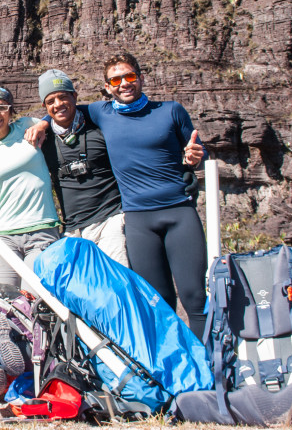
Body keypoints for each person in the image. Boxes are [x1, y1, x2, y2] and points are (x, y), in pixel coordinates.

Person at [88, 52, 208, 338]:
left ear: (141, 78)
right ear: (107, 87)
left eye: (130, 76)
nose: (124, 83)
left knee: (195, 298)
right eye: (115, 79)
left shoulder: (170, 110)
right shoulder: (100, 113)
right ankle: (173, 370)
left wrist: (194, 159)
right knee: (158, 302)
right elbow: (61, 109)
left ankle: (211, 368)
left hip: (179, 213)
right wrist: (42, 124)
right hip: (139, 220)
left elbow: (197, 152)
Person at [35, 70, 128, 267]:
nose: (58, 104)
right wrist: (43, 123)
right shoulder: (43, 138)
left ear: (74, 96)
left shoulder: (99, 125)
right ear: (45, 106)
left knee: (117, 281)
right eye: (50, 101)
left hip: (110, 219)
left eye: (63, 96)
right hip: (72, 229)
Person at [0, 86, 60, 289]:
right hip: (3, 236)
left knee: (38, 299)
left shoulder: (26, 126)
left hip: (42, 230)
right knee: (9, 304)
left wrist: (42, 125)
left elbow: (57, 116)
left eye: (2, 107)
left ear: (11, 111)